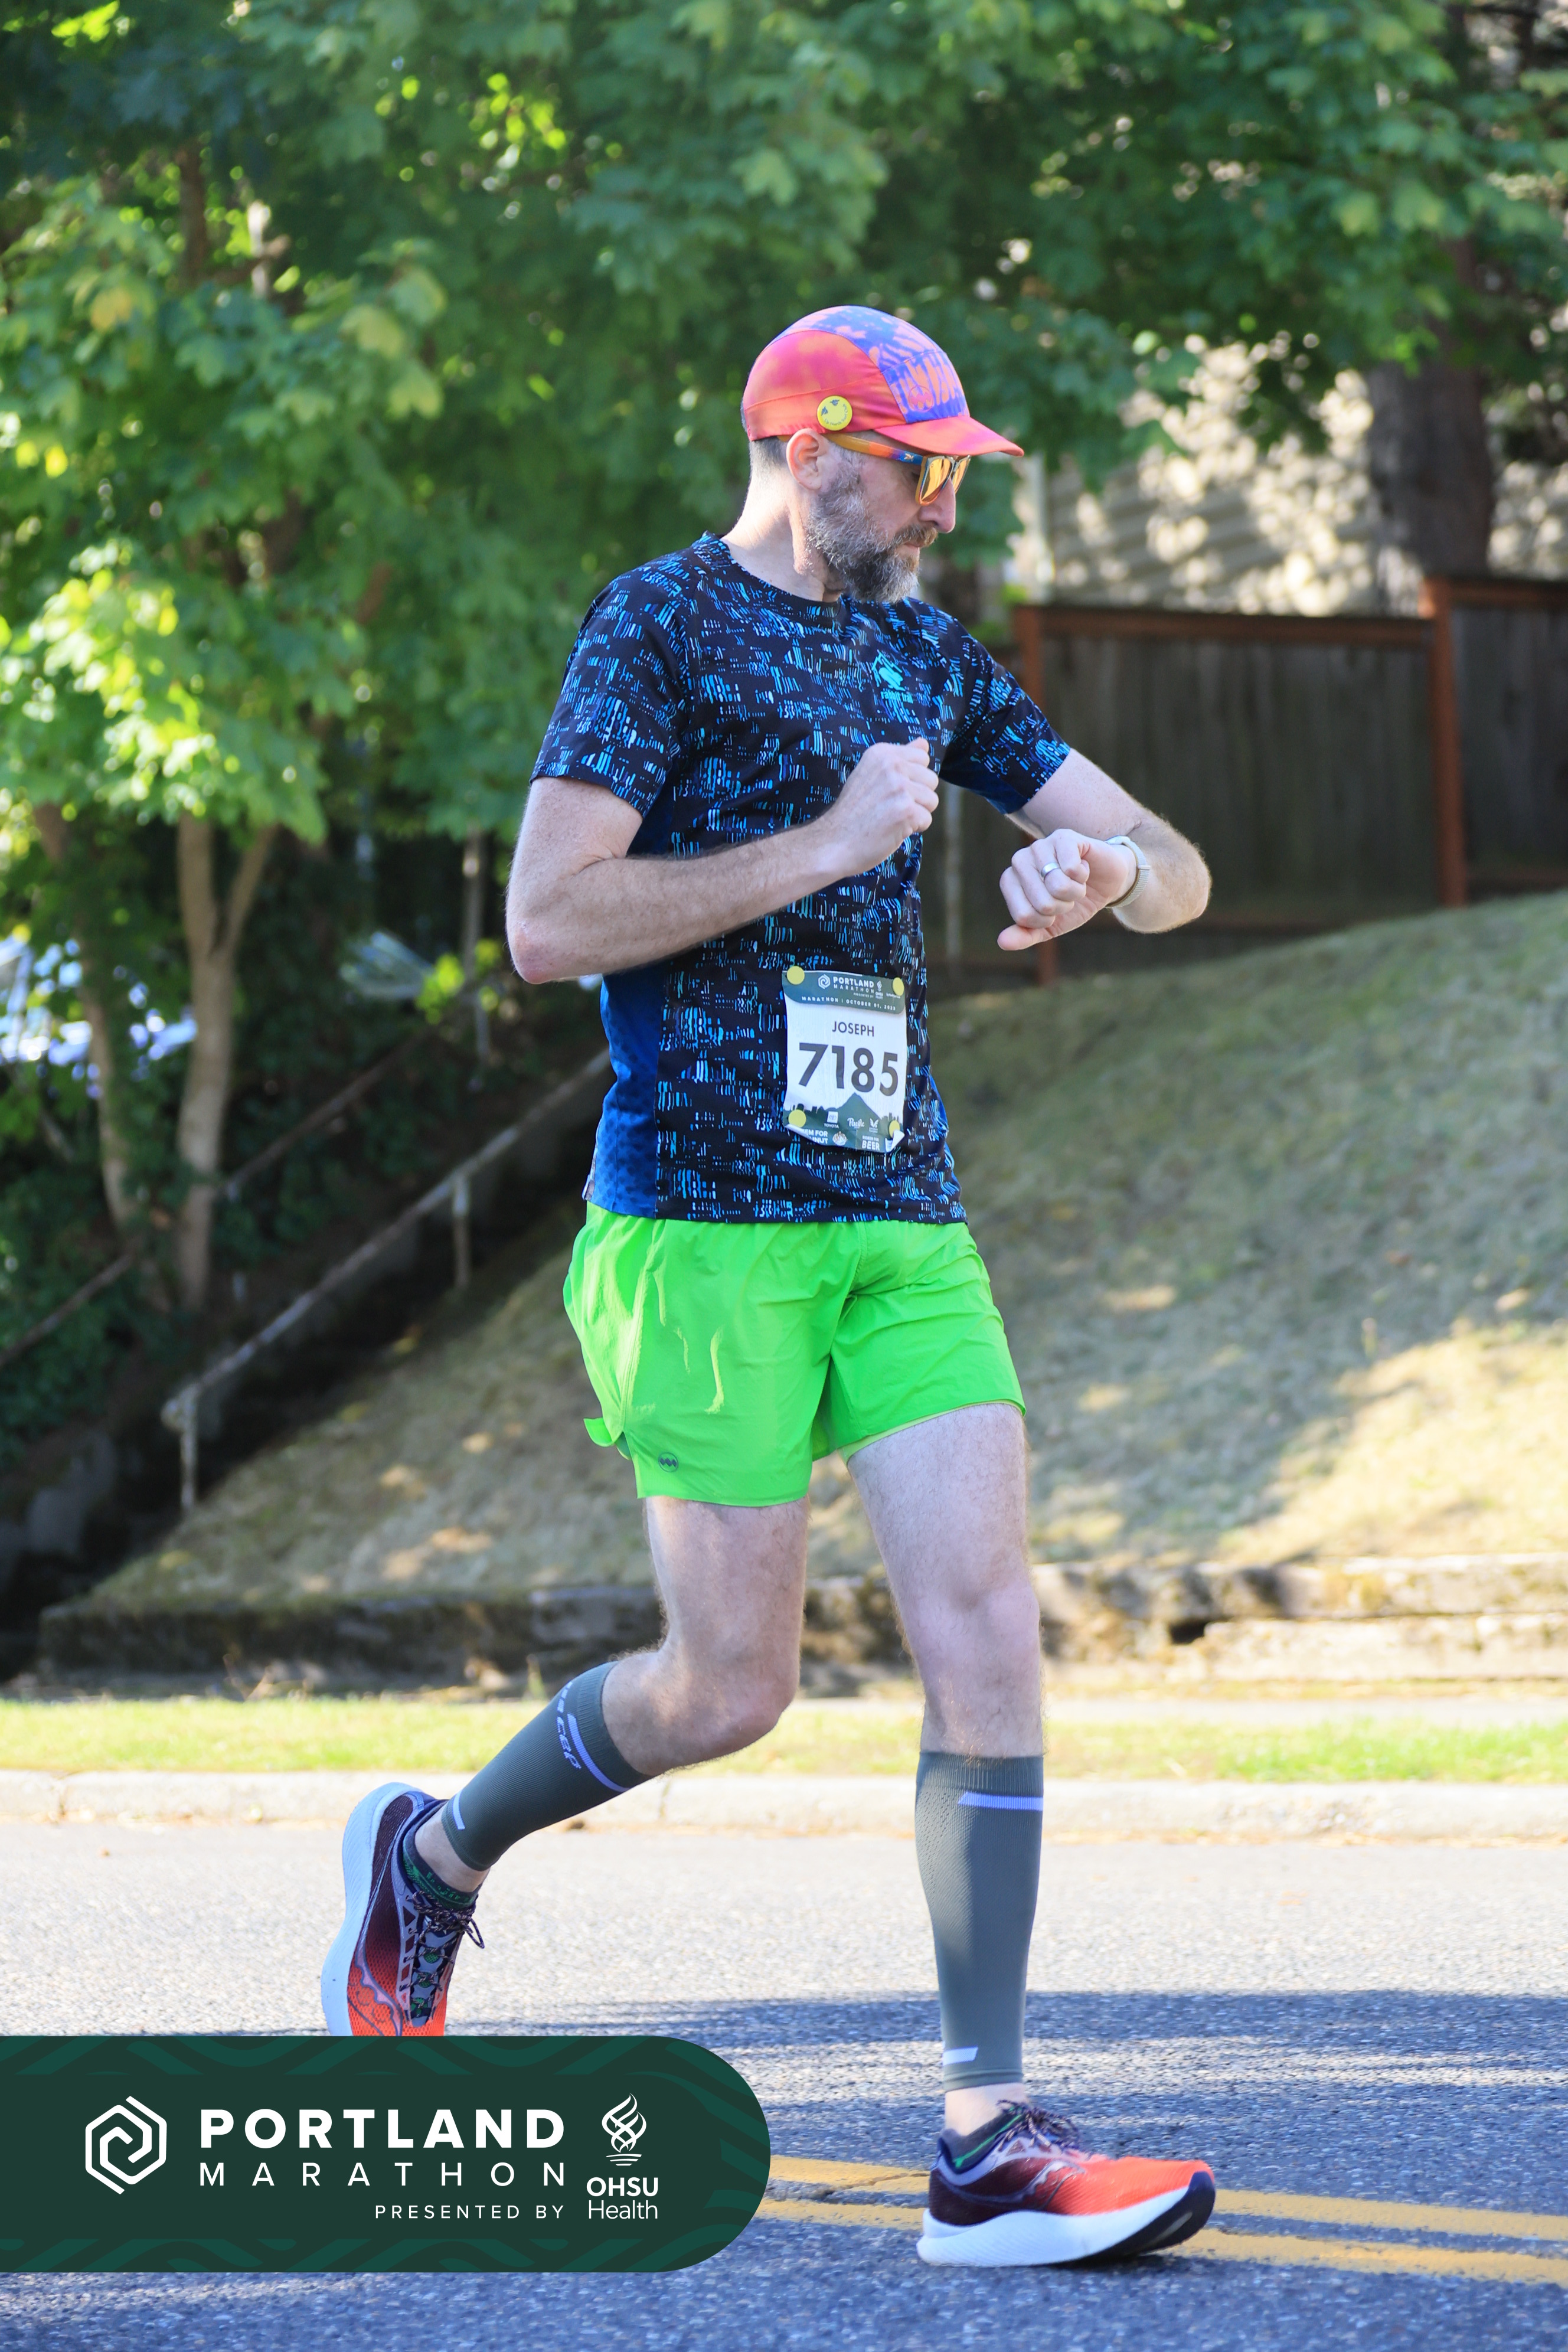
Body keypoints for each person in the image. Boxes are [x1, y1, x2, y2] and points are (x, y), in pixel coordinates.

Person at [322, 306, 1216, 2267]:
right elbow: (548, 922)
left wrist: (1106, 881)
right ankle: (435, 1858)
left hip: (900, 1215)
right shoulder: (656, 628)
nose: (944, 503)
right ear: (813, 451)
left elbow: (1178, 864)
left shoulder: (924, 651)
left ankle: (986, 2135)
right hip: (702, 1226)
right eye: (923, 467)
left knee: (987, 1624)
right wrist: (829, 842)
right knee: (727, 1689)